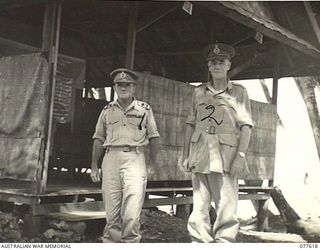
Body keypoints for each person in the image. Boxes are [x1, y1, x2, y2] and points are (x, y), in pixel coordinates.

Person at [182, 43, 253, 243]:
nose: (217, 66)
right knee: (200, 204)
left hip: (227, 157)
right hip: (200, 154)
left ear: (229, 65)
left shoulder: (239, 92)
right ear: (209, 66)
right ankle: (200, 241)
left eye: (221, 62)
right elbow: (190, 124)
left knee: (226, 207)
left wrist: (240, 156)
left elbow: (246, 126)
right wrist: (185, 155)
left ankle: (224, 242)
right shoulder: (198, 92)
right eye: (213, 62)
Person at [90, 68, 160, 243]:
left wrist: (152, 164)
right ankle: (111, 243)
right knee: (111, 209)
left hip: (134, 159)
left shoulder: (144, 109)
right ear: (114, 87)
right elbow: (98, 137)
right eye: (119, 85)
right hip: (110, 158)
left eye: (127, 85)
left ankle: (130, 243)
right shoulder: (107, 110)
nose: (123, 88)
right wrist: (93, 165)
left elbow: (154, 137)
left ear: (134, 87)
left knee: (131, 210)